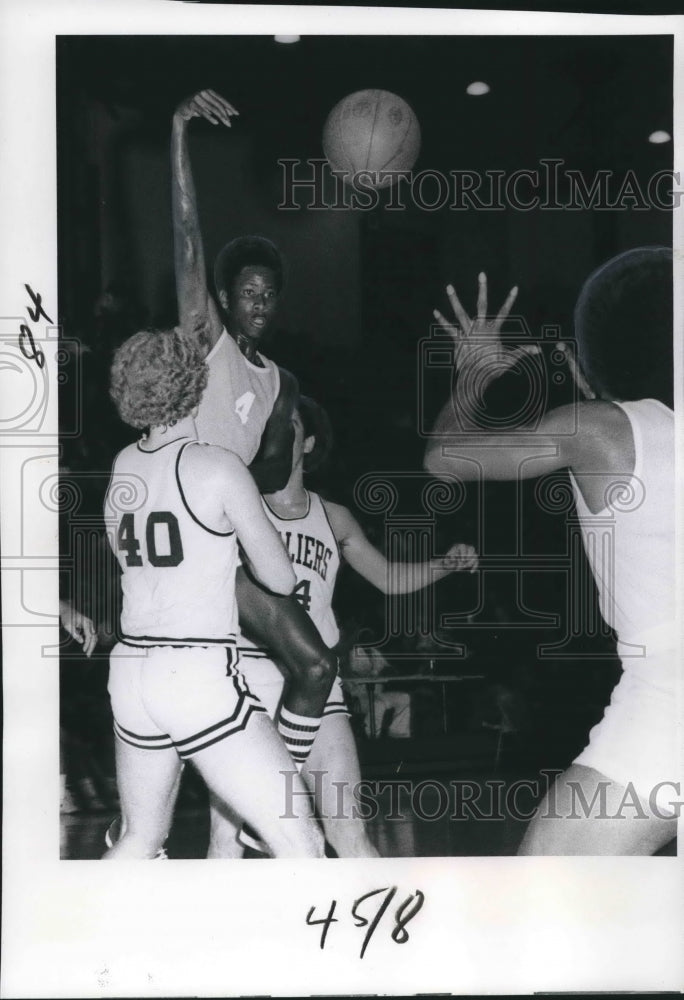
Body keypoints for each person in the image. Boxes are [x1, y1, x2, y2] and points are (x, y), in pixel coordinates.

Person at [424, 248, 678, 855]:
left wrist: (474, 376)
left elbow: (443, 459)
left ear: (578, 360)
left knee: (544, 892)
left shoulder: (601, 430)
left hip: (670, 698)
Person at [208, 396, 479, 857]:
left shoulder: (333, 518)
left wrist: (443, 564)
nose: (275, 429)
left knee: (348, 829)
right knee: (228, 837)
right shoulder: (233, 507)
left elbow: (388, 578)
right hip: (250, 678)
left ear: (307, 443)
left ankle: (384, 918)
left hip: (316, 686)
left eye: (287, 423)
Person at [102, 327, 324, 859]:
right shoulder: (217, 467)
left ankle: (78, 937)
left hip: (131, 670)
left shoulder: (123, 466)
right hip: (196, 673)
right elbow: (280, 580)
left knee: (140, 839)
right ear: (195, 384)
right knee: (302, 842)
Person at [171, 88, 338, 768]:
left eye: (269, 292)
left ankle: (272, 800)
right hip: (184, 528)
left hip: (232, 542)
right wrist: (178, 129)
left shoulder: (277, 381)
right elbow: (185, 237)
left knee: (316, 667)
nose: (260, 301)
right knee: (194, 705)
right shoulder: (204, 337)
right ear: (224, 297)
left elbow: (267, 478)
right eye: (247, 291)